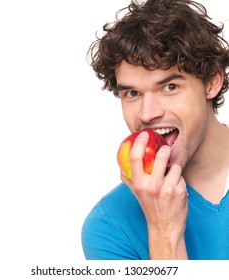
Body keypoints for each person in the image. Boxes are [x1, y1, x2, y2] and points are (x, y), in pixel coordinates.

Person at [81, 0, 229, 260]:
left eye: (170, 87)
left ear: (212, 82)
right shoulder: (110, 227)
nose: (148, 113)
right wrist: (163, 234)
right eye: (132, 93)